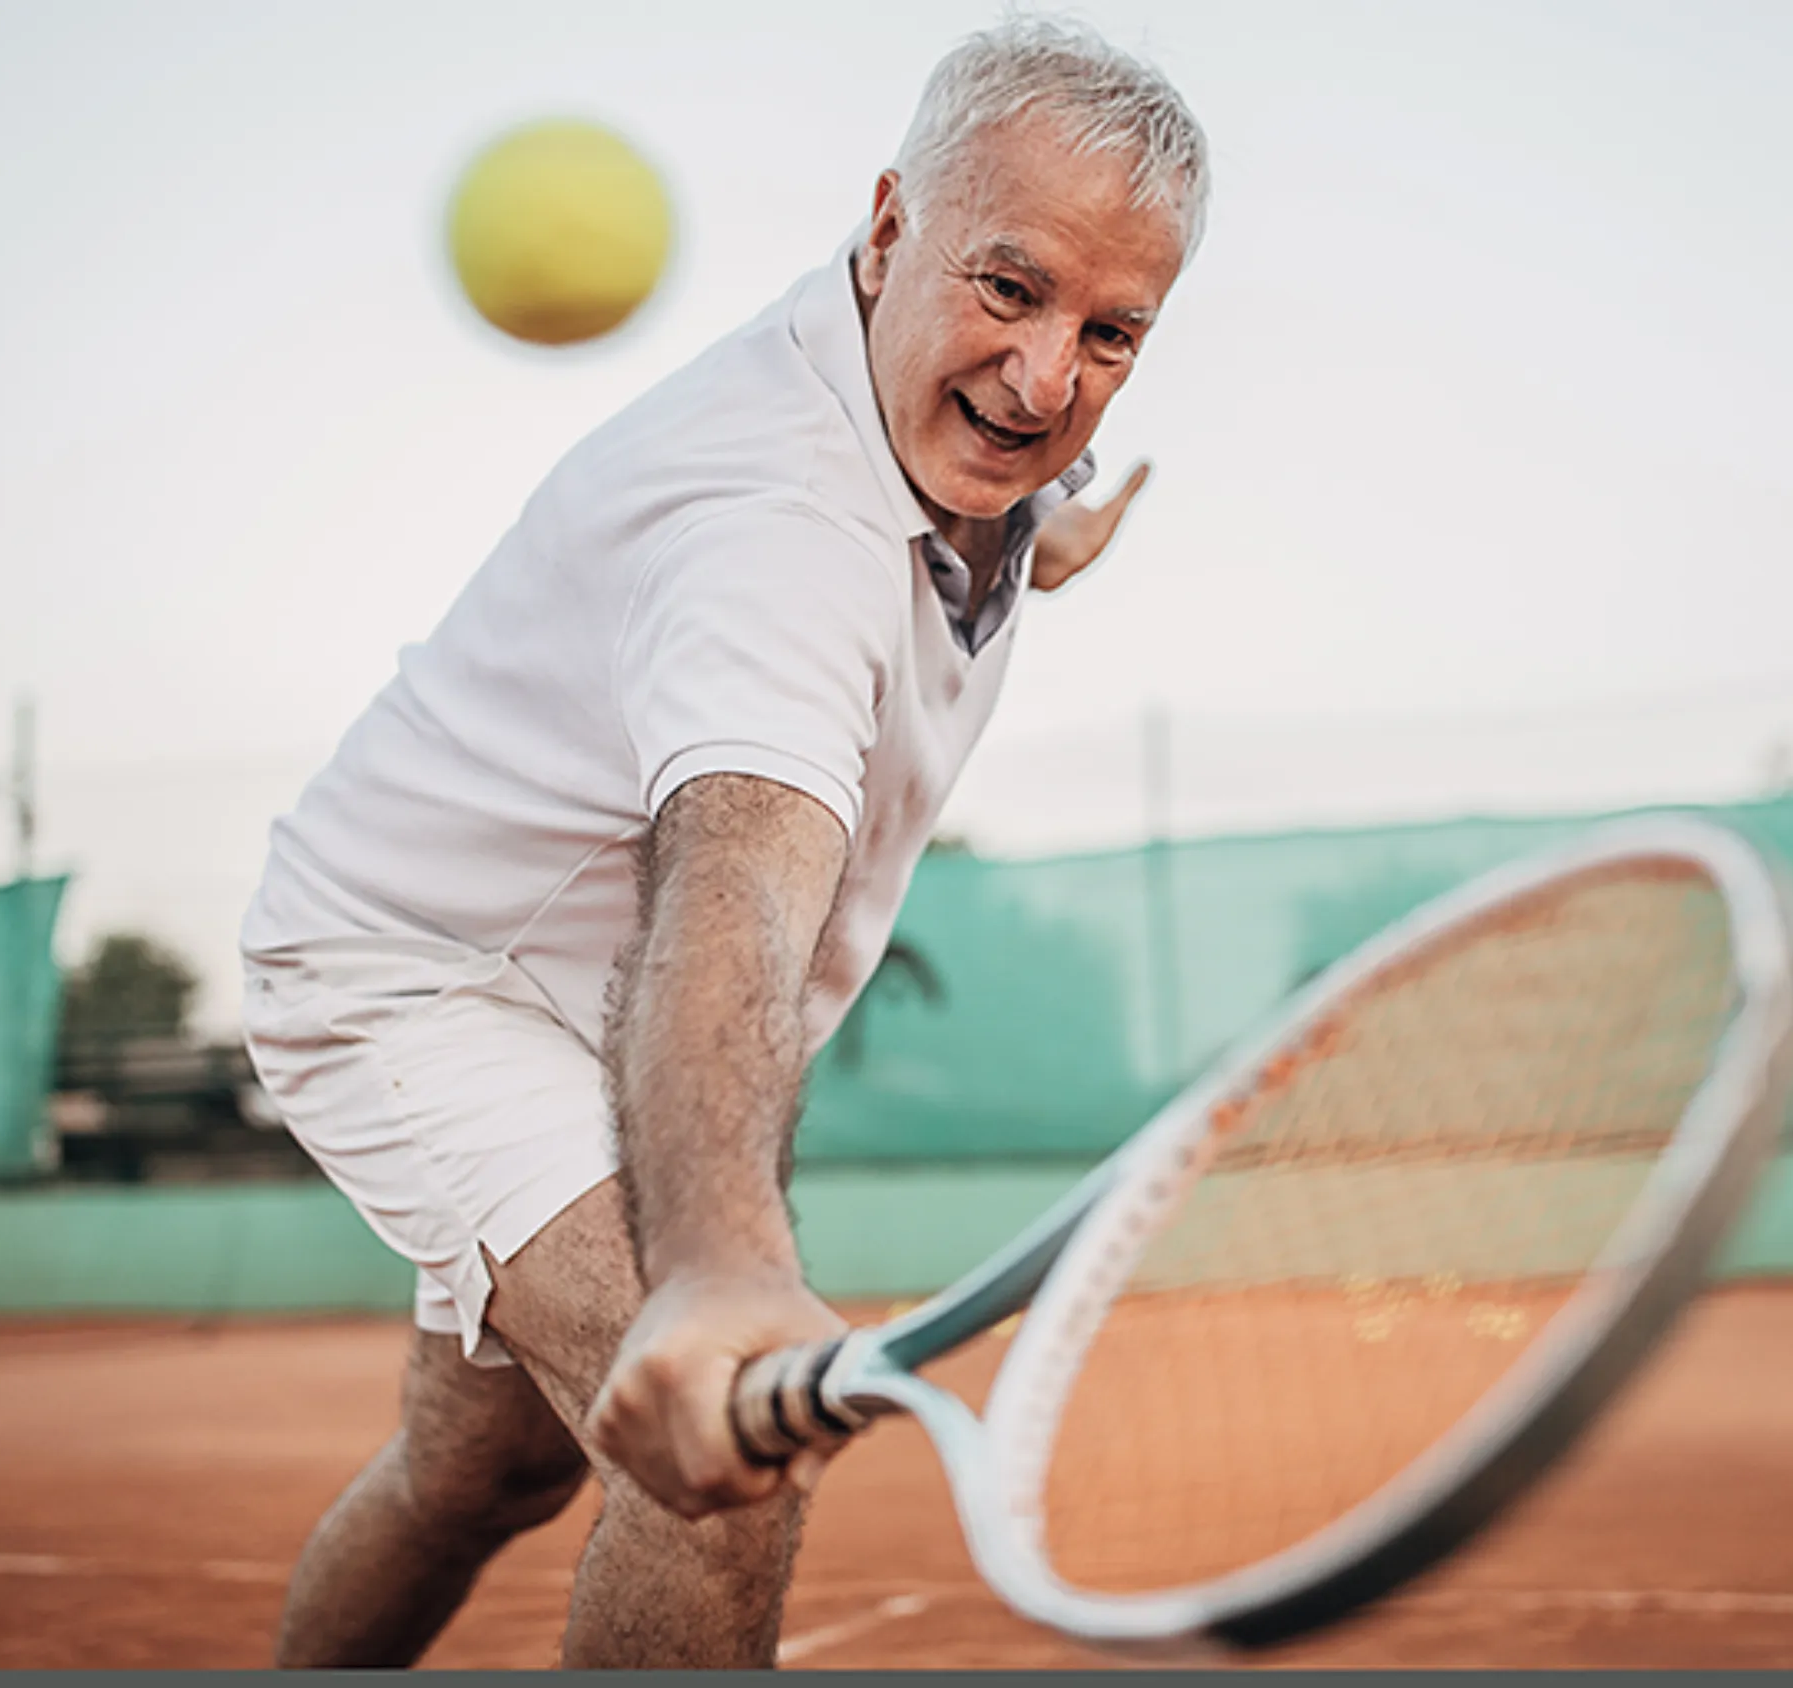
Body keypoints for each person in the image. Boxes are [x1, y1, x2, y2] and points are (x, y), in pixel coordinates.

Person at [236, 18, 1207, 1670]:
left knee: (479, 1473)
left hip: (576, 985)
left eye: (1111, 331)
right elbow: (734, 899)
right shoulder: (772, 535)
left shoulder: (946, 408)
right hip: (423, 977)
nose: (1049, 379)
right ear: (889, 226)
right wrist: (721, 1268)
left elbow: (1014, 447)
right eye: (1007, 289)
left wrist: (1048, 527)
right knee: (728, 1472)